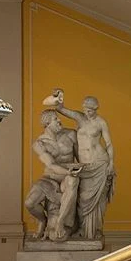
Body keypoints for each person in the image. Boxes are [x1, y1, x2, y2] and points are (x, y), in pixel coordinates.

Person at [44, 89, 115, 239]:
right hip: (85, 165)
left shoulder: (101, 122)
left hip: (99, 162)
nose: (88, 113)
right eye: (86, 110)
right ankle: (82, 229)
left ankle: (92, 231)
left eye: (91, 110)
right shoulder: (79, 118)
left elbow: (108, 144)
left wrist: (111, 163)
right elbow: (60, 108)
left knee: (97, 200)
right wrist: (59, 96)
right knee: (82, 199)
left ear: (96, 109)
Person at [24, 110, 83, 240]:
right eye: (56, 119)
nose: (59, 121)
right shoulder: (39, 144)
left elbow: (80, 158)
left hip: (67, 177)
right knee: (29, 203)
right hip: (50, 177)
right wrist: (68, 171)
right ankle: (42, 220)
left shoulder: (71, 135)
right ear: (47, 123)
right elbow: (50, 165)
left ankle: (60, 222)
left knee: (72, 181)